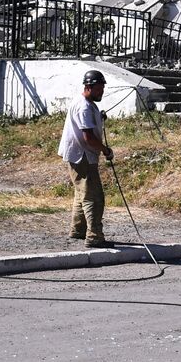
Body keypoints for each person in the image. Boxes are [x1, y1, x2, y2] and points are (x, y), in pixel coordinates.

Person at [58, 69, 114, 247]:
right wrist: (105, 150)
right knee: (94, 197)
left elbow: (88, 124)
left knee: (80, 194)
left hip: (77, 154)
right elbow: (88, 137)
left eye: (102, 89)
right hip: (82, 156)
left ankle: (78, 230)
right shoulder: (84, 106)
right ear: (88, 87)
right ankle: (94, 236)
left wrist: (99, 117)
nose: (101, 92)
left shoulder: (86, 104)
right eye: (99, 89)